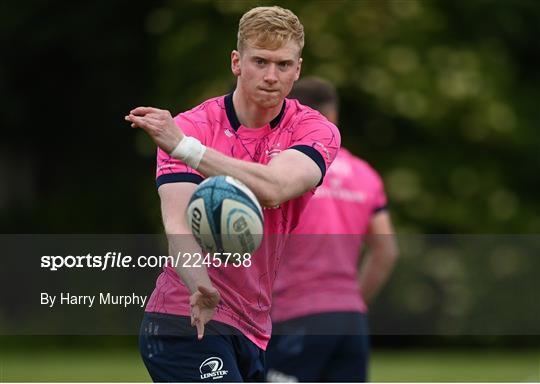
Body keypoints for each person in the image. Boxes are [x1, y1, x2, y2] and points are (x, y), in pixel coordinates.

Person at [125, 7, 340, 382]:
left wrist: (187, 149)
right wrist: (199, 285)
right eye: (260, 61)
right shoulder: (192, 126)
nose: (272, 76)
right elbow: (178, 225)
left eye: (284, 65)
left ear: (298, 69)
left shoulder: (313, 129)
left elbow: (275, 188)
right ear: (237, 62)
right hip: (187, 318)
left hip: (253, 324)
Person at [266, 77, 398, 382]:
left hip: (297, 315)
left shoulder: (284, 172)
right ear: (334, 115)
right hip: (350, 320)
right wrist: (351, 300)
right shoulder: (365, 173)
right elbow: (386, 250)